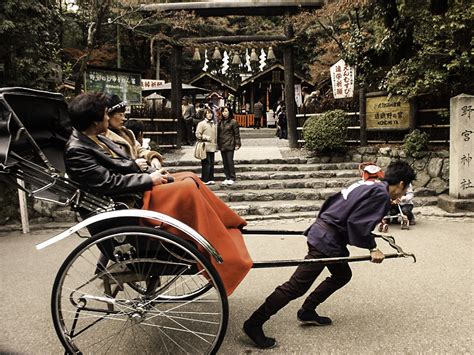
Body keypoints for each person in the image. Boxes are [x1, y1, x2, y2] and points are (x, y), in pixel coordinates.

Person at [64, 92, 252, 295]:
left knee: (189, 177)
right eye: (104, 115)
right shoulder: (77, 150)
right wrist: (148, 179)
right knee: (186, 189)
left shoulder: (95, 137)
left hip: (133, 191)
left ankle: (226, 223)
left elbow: (118, 164)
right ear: (93, 122)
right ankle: (213, 242)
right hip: (126, 203)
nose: (108, 118)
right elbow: (108, 182)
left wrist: (140, 166)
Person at [243, 160, 416, 349]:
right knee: (295, 287)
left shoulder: (370, 184)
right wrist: (372, 248)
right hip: (327, 239)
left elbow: (335, 202)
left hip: (327, 233)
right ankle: (254, 323)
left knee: (342, 275)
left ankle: (307, 310)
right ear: (401, 184)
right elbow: (358, 223)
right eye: (405, 188)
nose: (403, 192)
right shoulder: (381, 194)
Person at [104, 95, 163, 171]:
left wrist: (153, 157)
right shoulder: (103, 137)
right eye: (120, 115)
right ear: (108, 116)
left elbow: (139, 150)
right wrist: (134, 164)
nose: (123, 118)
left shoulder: (127, 133)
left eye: (124, 114)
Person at [217, 106, 241, 185]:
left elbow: (236, 134)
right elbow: (218, 133)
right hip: (222, 143)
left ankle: (232, 177)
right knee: (224, 162)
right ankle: (227, 176)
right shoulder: (220, 122)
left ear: (229, 112)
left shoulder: (233, 122)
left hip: (230, 143)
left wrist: (237, 144)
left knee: (229, 161)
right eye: (223, 111)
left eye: (226, 111)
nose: (224, 113)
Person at [195, 106, 217, 185]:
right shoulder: (201, 124)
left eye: (211, 113)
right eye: (208, 113)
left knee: (212, 163)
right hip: (204, 146)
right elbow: (197, 134)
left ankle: (211, 178)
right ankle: (205, 179)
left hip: (212, 146)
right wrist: (205, 137)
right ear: (205, 115)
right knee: (206, 163)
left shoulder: (213, 123)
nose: (209, 115)